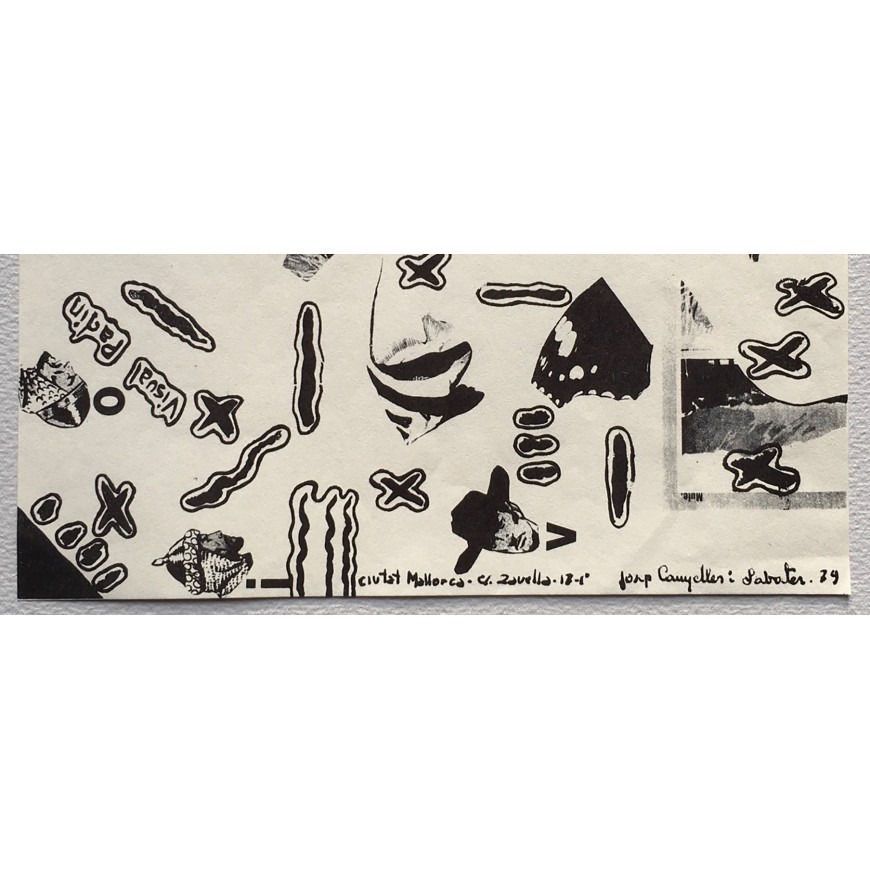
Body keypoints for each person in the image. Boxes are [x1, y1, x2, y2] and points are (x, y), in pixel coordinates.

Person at [450, 466, 539, 574]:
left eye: (512, 543)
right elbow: (499, 473)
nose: (508, 536)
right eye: (517, 537)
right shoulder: (501, 508)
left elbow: (461, 567)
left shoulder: (484, 539)